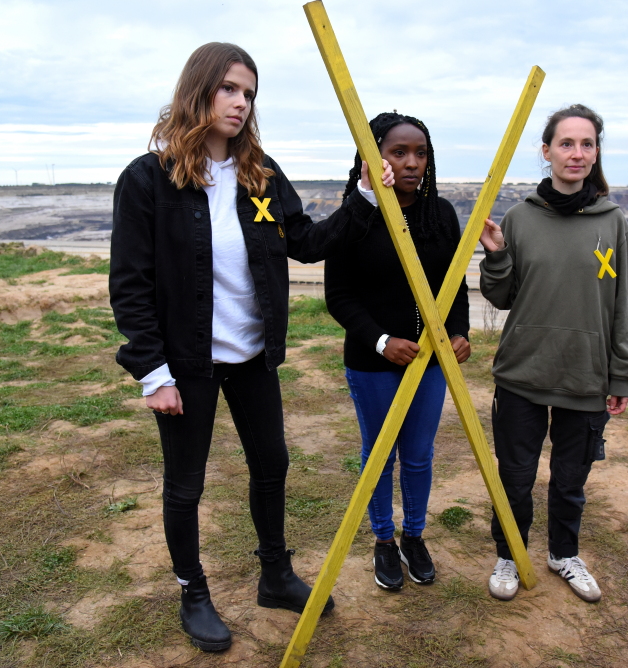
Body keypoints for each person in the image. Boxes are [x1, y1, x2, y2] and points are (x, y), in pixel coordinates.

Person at [109, 43, 393, 652]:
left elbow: (308, 243)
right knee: (186, 484)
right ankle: (193, 592)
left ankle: (275, 575)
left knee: (273, 465)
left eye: (249, 94)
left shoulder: (259, 173)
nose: (241, 103)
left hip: (252, 357)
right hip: (186, 364)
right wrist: (152, 372)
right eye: (229, 89)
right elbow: (130, 284)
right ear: (199, 90)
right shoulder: (147, 179)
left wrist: (364, 197)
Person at [478, 104, 628, 603]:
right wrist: (497, 255)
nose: (577, 153)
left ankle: (563, 553)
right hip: (523, 371)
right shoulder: (519, 218)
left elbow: (624, 303)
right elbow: (502, 297)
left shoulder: (612, 222)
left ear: (596, 153)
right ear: (546, 151)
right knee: (515, 477)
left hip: (585, 376)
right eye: (566, 143)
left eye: (587, 144)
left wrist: (622, 374)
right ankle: (510, 553)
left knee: (571, 480)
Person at [325, 112, 470, 591]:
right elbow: (339, 296)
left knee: (419, 454)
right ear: (373, 157)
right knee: (380, 453)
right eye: (398, 152)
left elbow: (455, 285)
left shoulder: (441, 214)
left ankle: (414, 537)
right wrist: (382, 341)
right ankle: (384, 541)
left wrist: (458, 331)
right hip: (373, 362)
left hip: (430, 362)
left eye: (420, 154)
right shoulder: (356, 216)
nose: (411, 163)